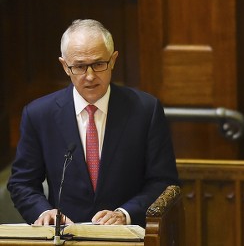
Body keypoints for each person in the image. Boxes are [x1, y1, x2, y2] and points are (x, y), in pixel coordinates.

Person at [7, 19, 179, 227]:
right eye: (79, 66)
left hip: (127, 237)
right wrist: (44, 212)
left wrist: (125, 214)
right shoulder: (39, 114)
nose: (90, 76)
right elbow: (22, 183)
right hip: (65, 237)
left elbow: (163, 181)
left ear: (113, 60)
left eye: (98, 64)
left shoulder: (145, 110)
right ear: (65, 66)